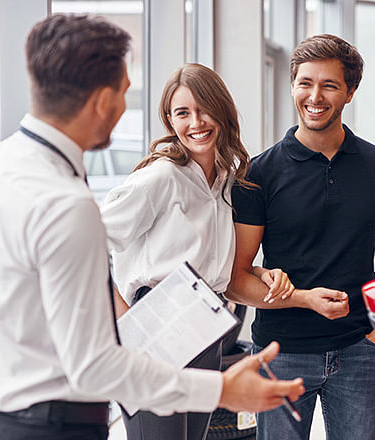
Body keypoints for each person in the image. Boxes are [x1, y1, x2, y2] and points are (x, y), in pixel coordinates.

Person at [0, 14, 303, 440]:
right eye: (126, 93)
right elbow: (96, 362)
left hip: (0, 415)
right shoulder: (71, 203)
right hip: (54, 419)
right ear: (102, 101)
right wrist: (221, 388)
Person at [228, 34, 375, 440]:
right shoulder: (259, 175)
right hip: (279, 354)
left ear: (350, 92)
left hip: (359, 351)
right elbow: (235, 281)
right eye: (305, 83)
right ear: (293, 86)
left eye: (329, 85)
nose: (314, 96)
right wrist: (302, 298)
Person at [100, 63, 295, 440]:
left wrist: (260, 273)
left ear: (222, 111)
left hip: (207, 325)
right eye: (182, 113)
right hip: (156, 324)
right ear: (170, 121)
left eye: (204, 109)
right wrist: (125, 321)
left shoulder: (226, 180)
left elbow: (215, 264)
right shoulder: (160, 178)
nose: (196, 122)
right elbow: (87, 243)